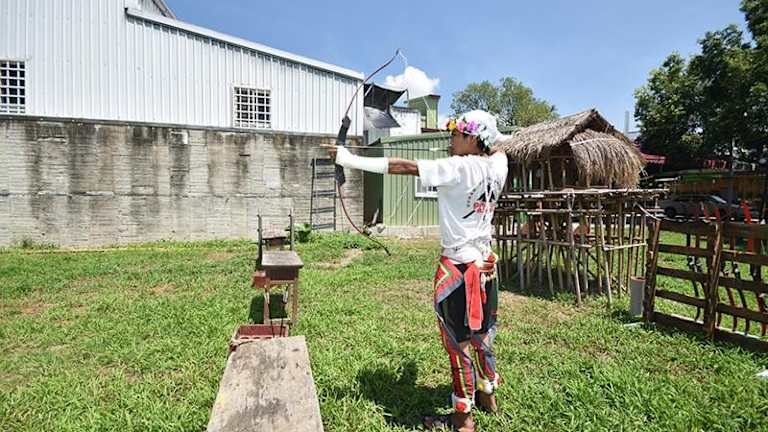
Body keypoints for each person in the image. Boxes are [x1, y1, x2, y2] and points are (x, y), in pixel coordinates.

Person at [324, 110, 508, 432]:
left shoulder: (458, 167)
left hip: (460, 270)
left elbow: (404, 167)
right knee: (482, 336)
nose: (451, 138)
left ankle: (463, 420)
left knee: (459, 346)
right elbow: (500, 150)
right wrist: (487, 141)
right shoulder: (498, 167)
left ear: (473, 138)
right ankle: (487, 395)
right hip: (486, 268)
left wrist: (348, 159)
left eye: (457, 134)